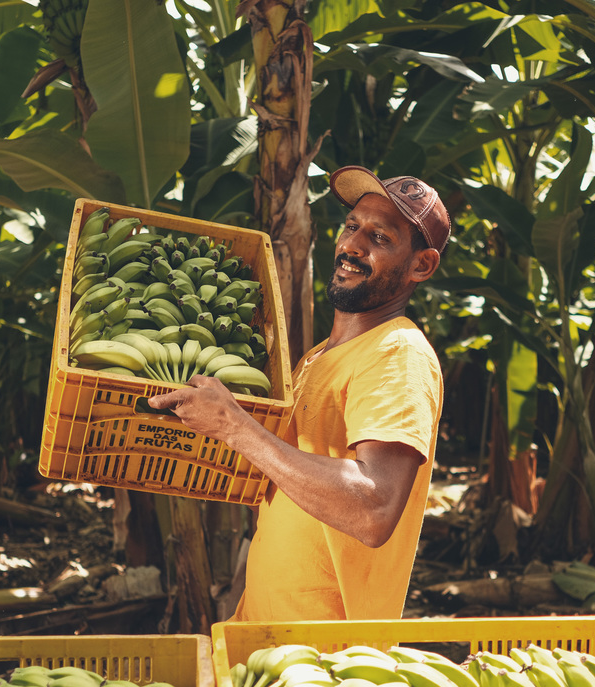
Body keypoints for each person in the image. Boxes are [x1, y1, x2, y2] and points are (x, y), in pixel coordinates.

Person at [146, 166, 448, 620]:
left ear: (420, 265)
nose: (352, 246)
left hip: (328, 661)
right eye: (351, 227)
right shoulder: (314, 359)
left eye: (380, 238)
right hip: (269, 638)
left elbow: (374, 509)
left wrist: (235, 426)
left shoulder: (398, 353)